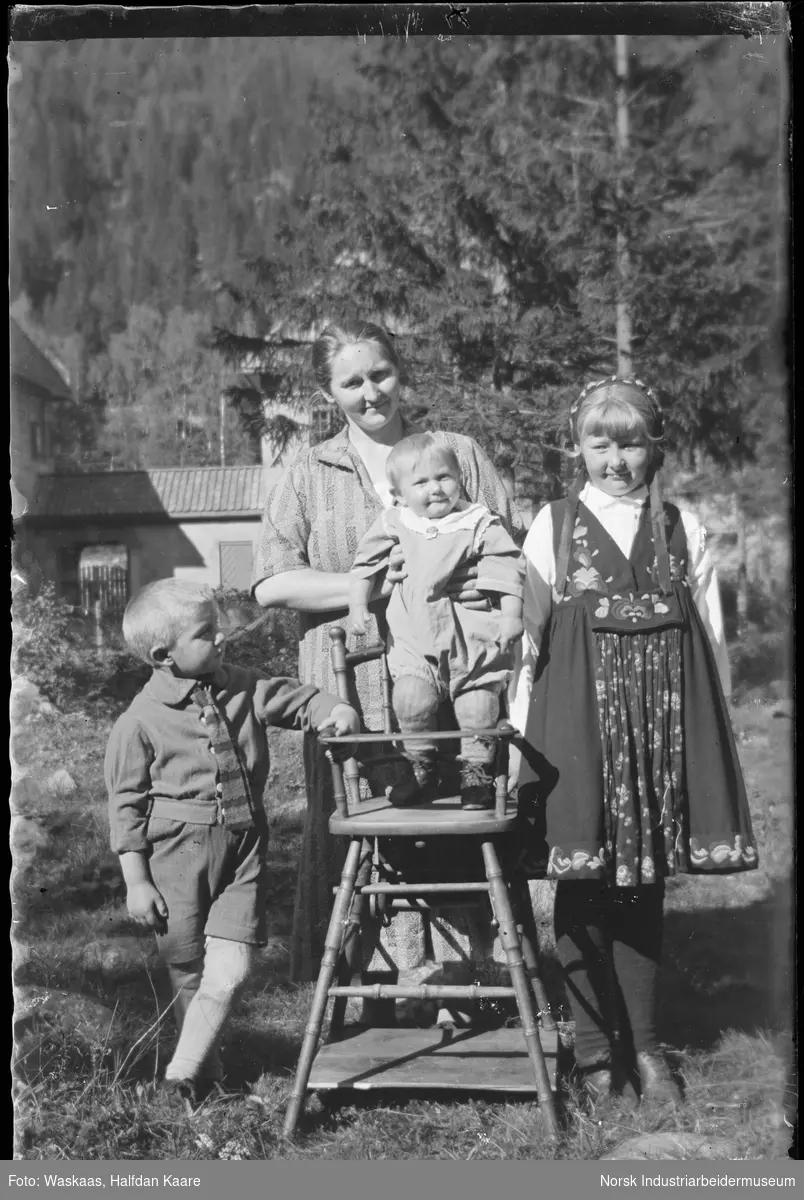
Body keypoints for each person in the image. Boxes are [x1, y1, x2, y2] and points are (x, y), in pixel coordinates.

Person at [252, 318, 523, 994]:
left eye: (380, 374)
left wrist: (469, 589)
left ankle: (471, 984)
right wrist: (373, 587)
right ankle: (374, 987)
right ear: (329, 392)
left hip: (454, 670)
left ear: (401, 371)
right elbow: (271, 581)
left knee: (458, 818)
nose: (371, 392)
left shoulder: (456, 451)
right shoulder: (309, 470)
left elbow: (511, 548)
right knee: (365, 830)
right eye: (352, 382)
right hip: (352, 681)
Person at [509, 376, 758, 1106]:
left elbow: (711, 639)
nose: (615, 460)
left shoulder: (685, 526)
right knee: (580, 880)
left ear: (654, 447)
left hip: (660, 729)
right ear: (577, 446)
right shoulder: (551, 525)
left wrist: (719, 732)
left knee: (643, 885)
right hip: (574, 728)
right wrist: (522, 740)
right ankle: (592, 1053)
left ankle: (646, 1049)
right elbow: (528, 641)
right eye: (599, 443)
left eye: (630, 444)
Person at [105, 578, 359, 1108]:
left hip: (244, 849)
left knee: (234, 969)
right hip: (175, 854)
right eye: (205, 632)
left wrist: (331, 710)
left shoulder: (240, 684)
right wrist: (136, 880)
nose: (221, 636)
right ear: (163, 655)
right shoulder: (138, 723)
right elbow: (125, 809)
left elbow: (294, 698)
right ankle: (205, 1076)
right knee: (188, 972)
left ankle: (180, 1071)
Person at [349, 431, 524, 809]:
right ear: (399, 493)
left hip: (471, 639)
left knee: (477, 709)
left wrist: (510, 613)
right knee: (411, 701)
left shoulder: (478, 521)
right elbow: (364, 563)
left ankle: (476, 778)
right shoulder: (396, 522)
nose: (436, 488)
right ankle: (420, 771)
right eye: (421, 482)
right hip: (415, 639)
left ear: (459, 478)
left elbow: (508, 565)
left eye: (444, 476)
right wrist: (358, 605)